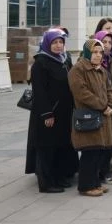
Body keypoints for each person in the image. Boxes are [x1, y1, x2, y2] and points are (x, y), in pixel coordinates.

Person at [25, 29, 77, 193]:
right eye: (54, 42)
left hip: (64, 113)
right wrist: (47, 113)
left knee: (60, 146)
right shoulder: (41, 63)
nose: (58, 45)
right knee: (46, 148)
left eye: (61, 42)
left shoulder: (64, 60)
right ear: (47, 43)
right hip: (48, 114)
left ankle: (58, 177)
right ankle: (46, 183)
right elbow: (39, 92)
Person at [68, 39, 112, 196]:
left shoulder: (101, 70)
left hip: (102, 117)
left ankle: (95, 183)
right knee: (90, 153)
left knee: (99, 153)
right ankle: (85, 186)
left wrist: (111, 105)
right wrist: (102, 106)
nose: (98, 55)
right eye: (94, 52)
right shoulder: (78, 69)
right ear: (88, 52)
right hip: (88, 116)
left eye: (100, 52)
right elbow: (82, 93)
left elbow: (110, 89)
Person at [93, 30, 112, 185]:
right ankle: (96, 173)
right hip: (97, 109)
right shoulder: (89, 62)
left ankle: (105, 172)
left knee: (109, 141)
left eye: (109, 42)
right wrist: (103, 105)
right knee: (98, 141)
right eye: (103, 42)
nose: (106, 45)